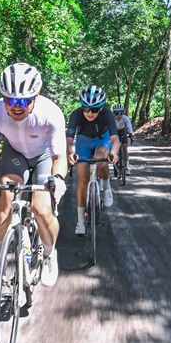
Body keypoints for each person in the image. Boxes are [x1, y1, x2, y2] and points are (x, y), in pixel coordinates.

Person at [0, 63, 68, 287]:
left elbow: (60, 158)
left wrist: (57, 180)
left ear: (36, 96)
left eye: (23, 101)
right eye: (10, 100)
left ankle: (49, 255)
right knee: (6, 197)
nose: (16, 107)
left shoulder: (51, 113)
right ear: (3, 98)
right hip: (15, 152)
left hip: (44, 155)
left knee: (41, 208)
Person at [66, 85, 120, 236]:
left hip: (102, 140)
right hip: (83, 142)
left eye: (94, 109)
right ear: (81, 106)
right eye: (86, 108)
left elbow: (115, 140)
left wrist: (114, 153)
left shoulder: (108, 114)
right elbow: (69, 141)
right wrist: (70, 153)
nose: (89, 113)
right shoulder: (76, 114)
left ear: (101, 108)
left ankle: (107, 187)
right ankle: (80, 222)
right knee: (82, 180)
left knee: (100, 160)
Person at [113, 103, 134, 169]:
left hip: (122, 131)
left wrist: (131, 134)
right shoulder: (111, 118)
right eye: (116, 113)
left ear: (123, 113)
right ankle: (115, 161)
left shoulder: (125, 118)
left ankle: (127, 167)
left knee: (125, 147)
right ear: (114, 113)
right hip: (114, 131)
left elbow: (129, 127)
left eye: (120, 113)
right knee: (115, 147)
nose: (118, 115)